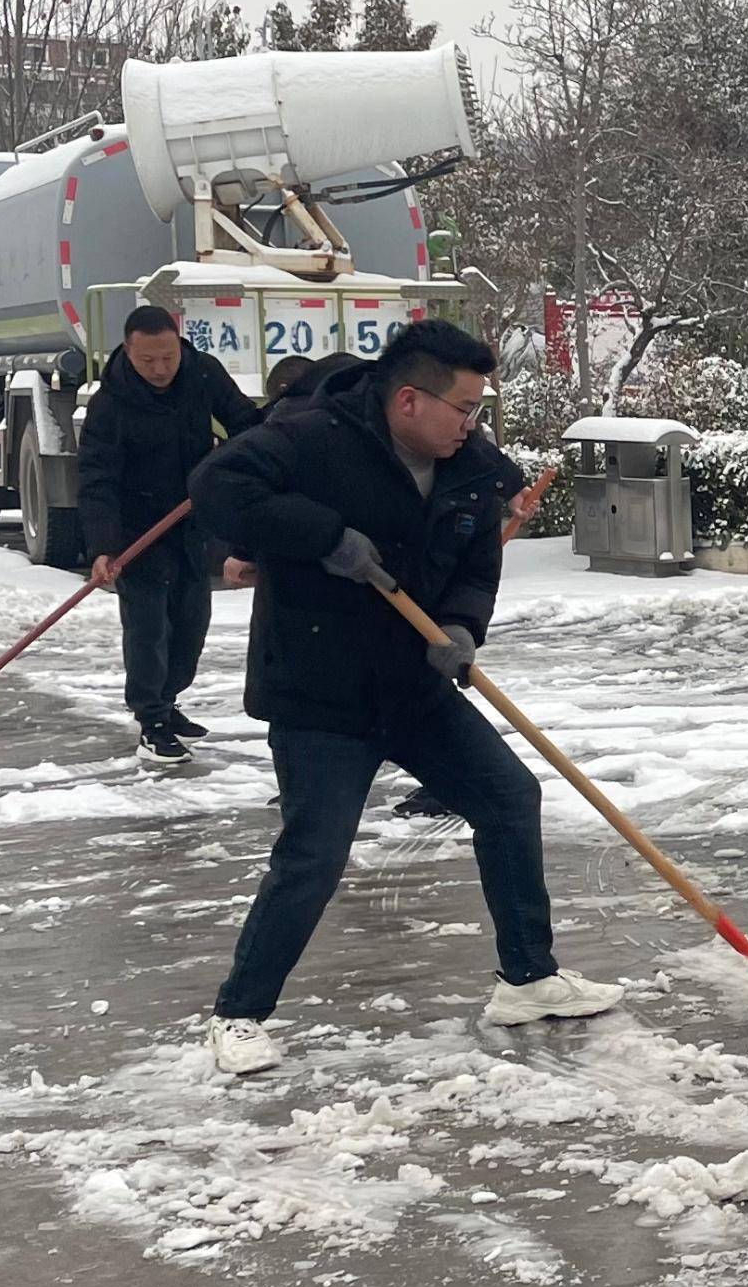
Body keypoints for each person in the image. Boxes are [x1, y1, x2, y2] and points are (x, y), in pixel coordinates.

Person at [187, 321, 624, 1077]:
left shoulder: (470, 464)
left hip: (415, 687)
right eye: (462, 408)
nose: (471, 424)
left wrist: (459, 624)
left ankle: (528, 978)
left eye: (478, 409)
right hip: (319, 689)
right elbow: (215, 489)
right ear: (409, 400)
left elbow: (476, 558)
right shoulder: (310, 436)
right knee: (315, 855)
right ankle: (240, 1015)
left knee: (507, 797)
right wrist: (323, 535)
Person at [77, 304, 260, 765]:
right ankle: (151, 719)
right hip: (138, 530)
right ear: (128, 352)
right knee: (148, 629)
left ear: (179, 345)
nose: (160, 369)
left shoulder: (202, 374)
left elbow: (246, 422)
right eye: (148, 361)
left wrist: (234, 458)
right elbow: (97, 478)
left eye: (168, 358)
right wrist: (102, 547)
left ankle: (170, 700)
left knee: (191, 624)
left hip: (192, 523)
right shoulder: (110, 403)